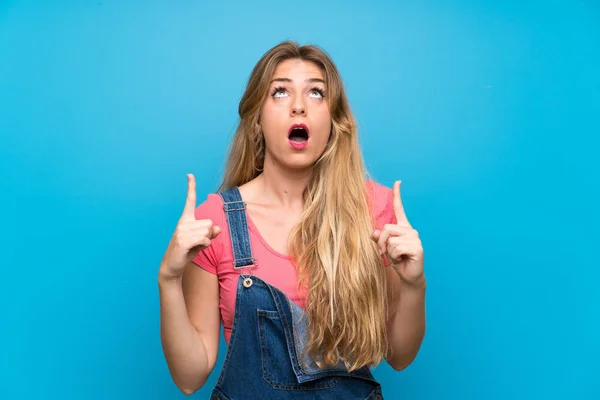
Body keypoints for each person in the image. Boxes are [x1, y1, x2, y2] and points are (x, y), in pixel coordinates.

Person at [158, 41, 426, 399]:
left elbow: (400, 356)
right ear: (257, 117)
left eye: (316, 93)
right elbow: (189, 377)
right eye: (280, 92)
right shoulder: (215, 221)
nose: (299, 105)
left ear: (334, 119)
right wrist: (169, 279)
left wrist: (414, 284)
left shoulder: (374, 210)